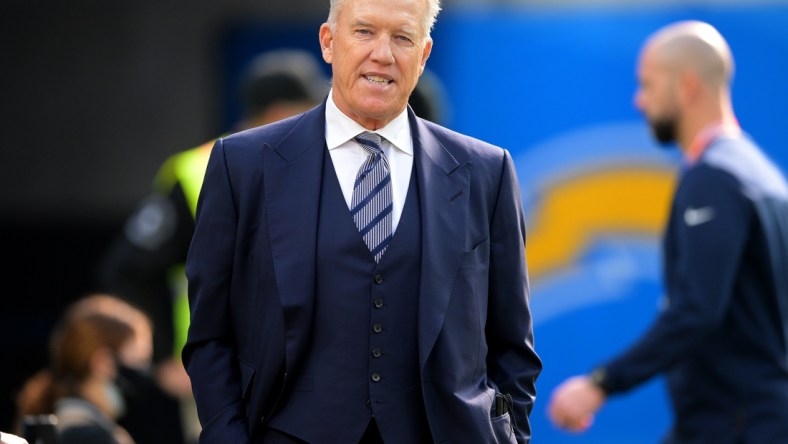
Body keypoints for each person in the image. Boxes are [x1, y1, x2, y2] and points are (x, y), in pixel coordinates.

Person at [182, 0, 542, 442]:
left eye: (403, 37)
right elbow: (210, 336)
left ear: (424, 54)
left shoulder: (487, 171)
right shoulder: (242, 165)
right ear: (328, 42)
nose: (383, 54)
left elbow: (513, 346)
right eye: (365, 32)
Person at [547, 20, 788, 443]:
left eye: (648, 85)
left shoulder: (714, 178)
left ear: (687, 86)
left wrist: (601, 383)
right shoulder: (761, 173)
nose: (639, 100)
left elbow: (696, 310)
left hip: (734, 423)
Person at [15, 295, 145, 444]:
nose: (144, 373)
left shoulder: (68, 421)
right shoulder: (88, 435)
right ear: (102, 362)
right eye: (138, 361)